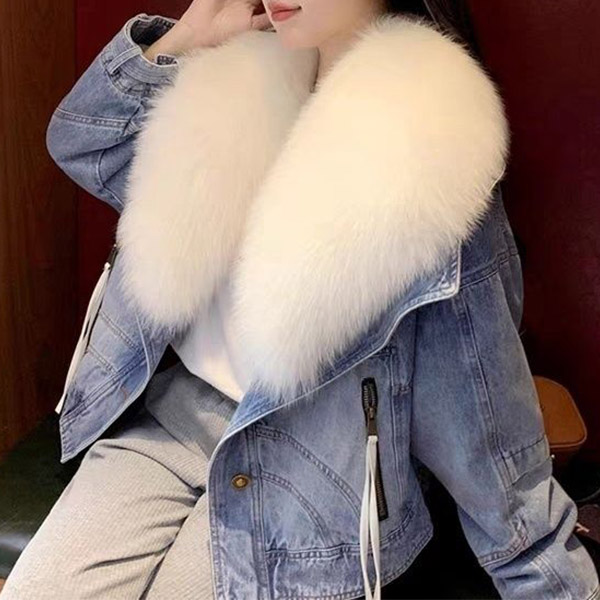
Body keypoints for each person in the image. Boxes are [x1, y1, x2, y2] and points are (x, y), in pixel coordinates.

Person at [2, 0, 598, 598]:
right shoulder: (226, 81)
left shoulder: (432, 148)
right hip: (167, 422)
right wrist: (186, 37)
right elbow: (81, 144)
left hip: (314, 460)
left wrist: (543, 570)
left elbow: (484, 411)